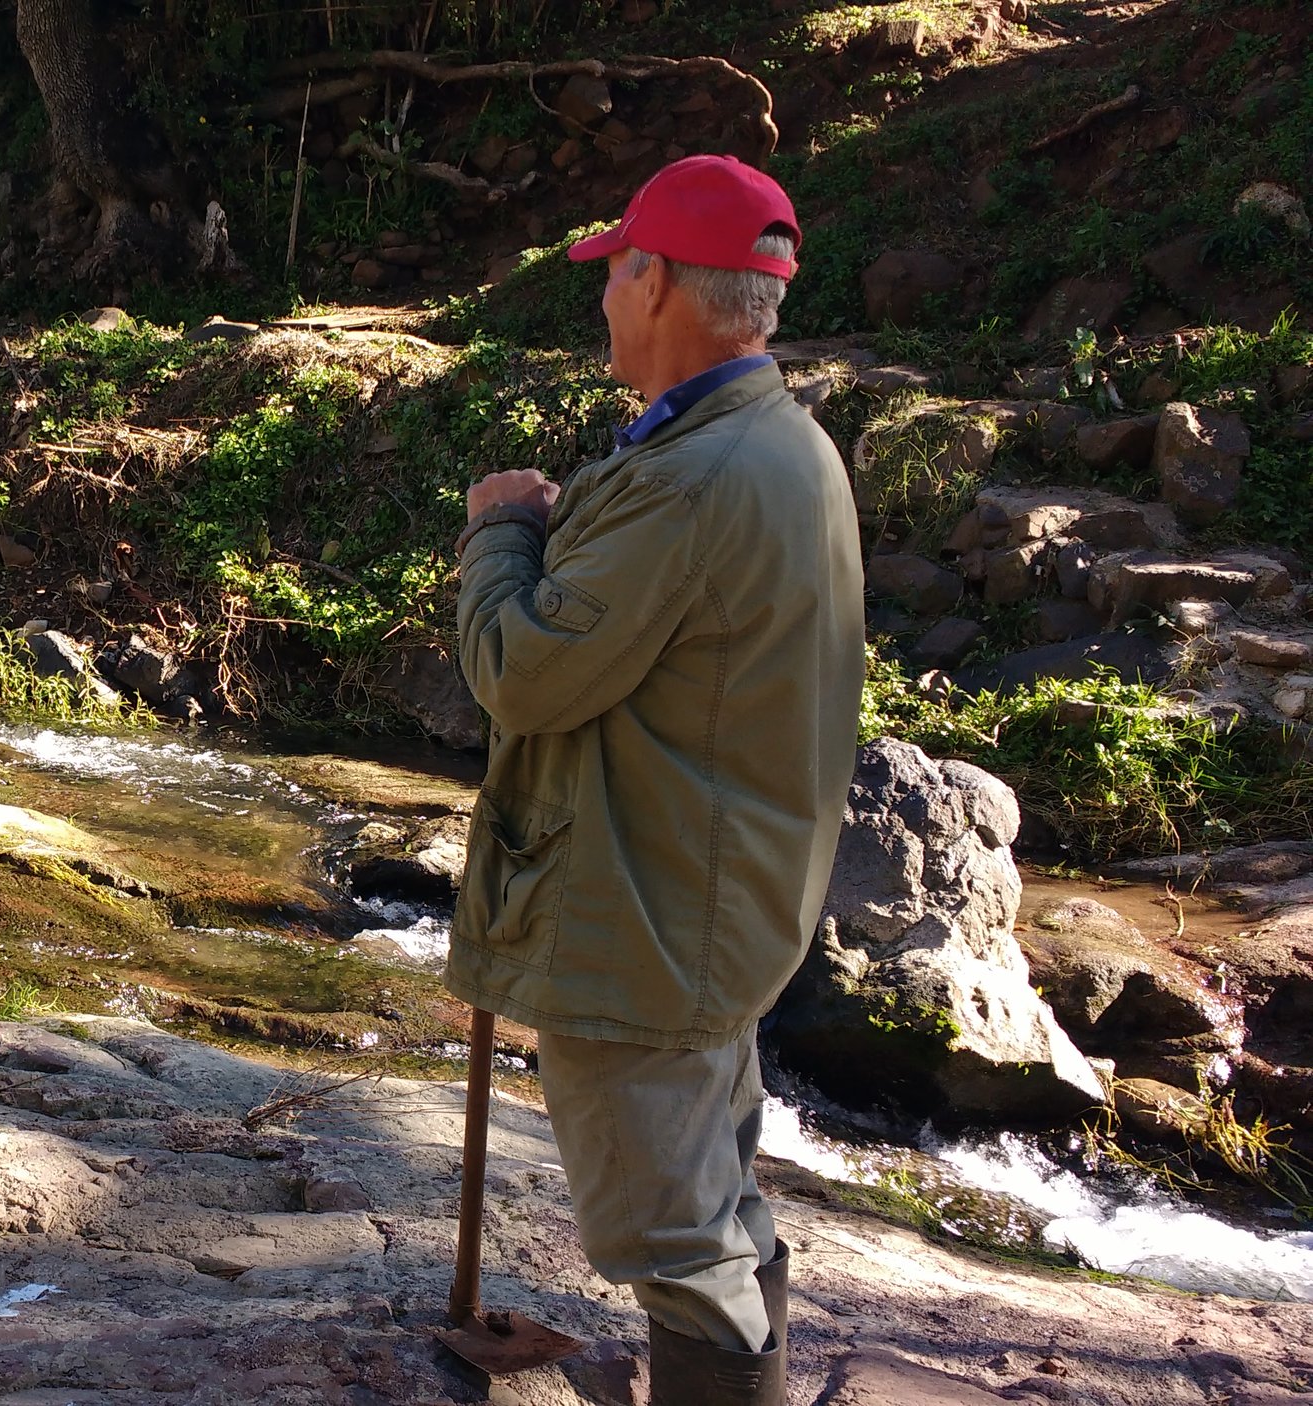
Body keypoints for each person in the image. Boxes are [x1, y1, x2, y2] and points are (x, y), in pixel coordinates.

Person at [450, 155, 863, 1405]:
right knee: (718, 1198)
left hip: (645, 917)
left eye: (617, 273)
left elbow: (521, 674)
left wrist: (501, 532)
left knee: (677, 1238)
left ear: (665, 282)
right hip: (711, 898)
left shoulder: (692, 479)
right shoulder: (770, 443)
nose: (604, 302)